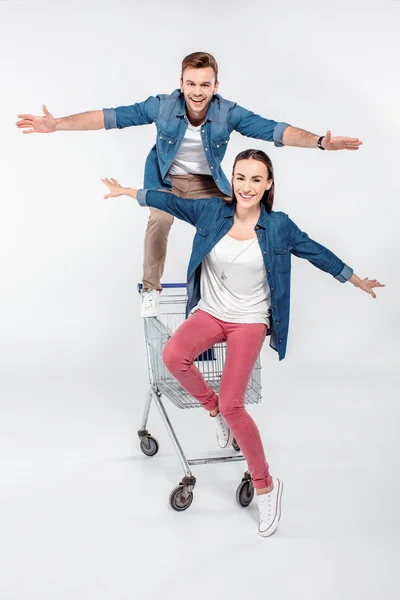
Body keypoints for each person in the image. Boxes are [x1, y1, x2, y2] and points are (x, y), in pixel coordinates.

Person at [100, 149, 383, 537]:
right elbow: (171, 200)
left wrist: (355, 279)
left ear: (268, 184)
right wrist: (128, 192)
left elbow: (317, 253)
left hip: (249, 320)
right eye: (240, 177)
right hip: (211, 312)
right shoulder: (212, 212)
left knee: (237, 404)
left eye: (255, 179)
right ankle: (212, 410)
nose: (247, 186)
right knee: (173, 355)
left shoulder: (279, 226)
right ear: (231, 180)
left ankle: (266, 485)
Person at [16, 52, 363, 317]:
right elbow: (112, 117)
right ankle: (150, 290)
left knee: (233, 223)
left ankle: (219, 296)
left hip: (207, 183)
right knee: (160, 219)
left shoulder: (229, 113)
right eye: (191, 84)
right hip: (165, 180)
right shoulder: (162, 107)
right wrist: (57, 124)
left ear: (216, 87)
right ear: (182, 83)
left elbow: (274, 130)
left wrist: (319, 141)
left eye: (205, 85)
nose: (198, 92)